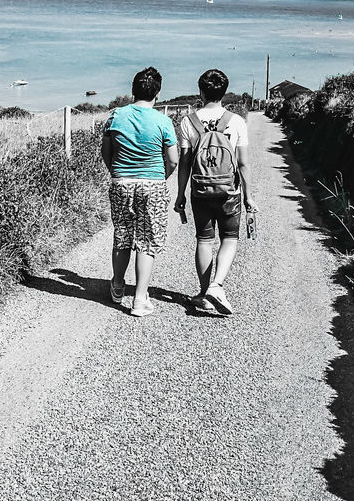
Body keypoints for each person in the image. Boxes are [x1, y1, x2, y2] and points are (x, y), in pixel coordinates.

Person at [174, 68, 258, 315]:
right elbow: (243, 163)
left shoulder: (188, 121)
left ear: (200, 91)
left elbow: (185, 163)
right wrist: (249, 196)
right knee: (229, 238)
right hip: (229, 191)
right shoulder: (237, 121)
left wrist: (180, 195)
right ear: (224, 92)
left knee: (203, 239)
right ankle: (217, 284)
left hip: (200, 190)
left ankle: (203, 294)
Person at [101, 66, 178, 317]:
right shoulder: (163, 121)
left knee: (122, 234)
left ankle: (117, 285)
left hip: (121, 182)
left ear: (132, 90)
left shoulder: (115, 116)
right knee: (147, 241)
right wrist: (160, 177)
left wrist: (117, 172)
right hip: (152, 184)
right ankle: (140, 298)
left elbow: (106, 151)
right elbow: (173, 160)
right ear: (157, 92)